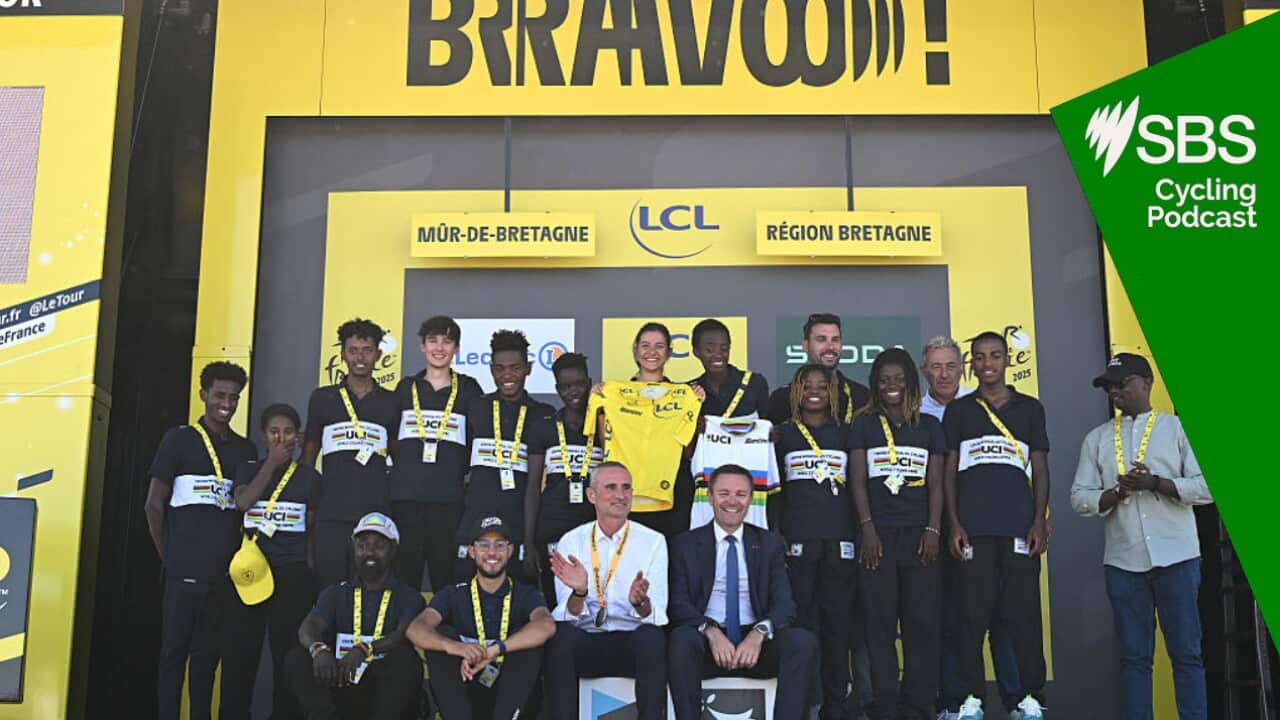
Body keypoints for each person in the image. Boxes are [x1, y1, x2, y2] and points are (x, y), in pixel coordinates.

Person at [1070, 353, 1211, 720]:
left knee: (1187, 654)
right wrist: (1116, 494)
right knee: (1134, 659)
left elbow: (1207, 487)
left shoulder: (1177, 429)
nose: (1116, 392)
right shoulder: (1098, 439)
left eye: (1123, 383)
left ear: (1147, 383)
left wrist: (1157, 484)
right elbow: (1078, 498)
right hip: (1123, 562)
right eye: (1110, 387)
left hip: (1177, 558)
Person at [942, 332, 1050, 720]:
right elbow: (949, 470)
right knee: (970, 615)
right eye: (980, 357)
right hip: (973, 529)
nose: (988, 363)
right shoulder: (959, 411)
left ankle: (1028, 697)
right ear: (972, 362)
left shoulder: (1029, 408)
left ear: (1007, 360)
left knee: (1022, 616)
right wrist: (953, 523)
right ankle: (971, 696)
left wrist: (1039, 519)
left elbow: (1039, 467)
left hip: (1020, 529)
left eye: (996, 356)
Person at [144, 361, 257, 720]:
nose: (227, 403)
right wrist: (170, 557)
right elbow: (153, 504)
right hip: (182, 573)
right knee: (173, 656)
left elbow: (243, 507)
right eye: (220, 395)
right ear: (203, 395)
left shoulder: (245, 448)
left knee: (207, 659)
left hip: (223, 577)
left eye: (234, 397)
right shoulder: (179, 439)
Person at [668, 464, 819, 720]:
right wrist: (711, 631)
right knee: (681, 639)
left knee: (801, 641)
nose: (732, 501)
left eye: (741, 494)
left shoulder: (769, 543)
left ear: (751, 498)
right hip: (705, 644)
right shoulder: (684, 544)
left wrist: (758, 634)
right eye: (724, 493)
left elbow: (784, 603)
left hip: (755, 644)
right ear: (710, 496)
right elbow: (677, 603)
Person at [922, 336, 1020, 719]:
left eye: (950, 365)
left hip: (989, 525)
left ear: (963, 367)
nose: (944, 374)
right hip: (937, 529)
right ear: (924, 370)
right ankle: (956, 701)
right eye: (936, 366)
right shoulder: (915, 412)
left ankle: (1017, 701)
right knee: (952, 618)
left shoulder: (986, 405)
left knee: (1004, 616)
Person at [849, 349, 946, 720]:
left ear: (910, 381)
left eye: (898, 379)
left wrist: (934, 529)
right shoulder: (864, 424)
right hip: (877, 539)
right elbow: (857, 481)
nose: (891, 386)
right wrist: (868, 529)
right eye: (884, 380)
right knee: (879, 624)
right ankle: (884, 705)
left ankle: (919, 704)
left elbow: (936, 483)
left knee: (921, 622)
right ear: (876, 384)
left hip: (921, 538)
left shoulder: (929, 426)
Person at [544, 462, 669, 720]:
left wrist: (640, 603)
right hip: (588, 640)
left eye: (626, 488)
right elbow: (566, 615)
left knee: (652, 639)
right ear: (592, 495)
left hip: (632, 640)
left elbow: (657, 616)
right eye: (611, 487)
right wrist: (579, 592)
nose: (620, 495)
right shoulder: (572, 540)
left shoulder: (654, 541)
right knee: (560, 640)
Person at [221, 403, 322, 720]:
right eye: (274, 432)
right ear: (264, 437)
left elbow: (313, 529)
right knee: (241, 655)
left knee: (288, 657)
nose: (281, 438)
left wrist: (309, 571)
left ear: (298, 436)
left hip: (291, 575)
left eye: (288, 432)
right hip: (251, 574)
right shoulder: (248, 468)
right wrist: (270, 466)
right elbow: (243, 502)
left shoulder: (309, 478)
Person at [770, 363, 855, 720]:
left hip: (840, 542)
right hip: (798, 543)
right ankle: (804, 702)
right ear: (795, 392)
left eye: (823, 385)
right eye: (807, 386)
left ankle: (835, 704)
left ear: (834, 391)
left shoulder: (848, 434)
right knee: (802, 625)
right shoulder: (783, 435)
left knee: (837, 624)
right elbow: (774, 494)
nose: (815, 391)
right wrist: (777, 536)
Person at [409, 515, 556, 719]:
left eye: (500, 545)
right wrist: (457, 648)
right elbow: (416, 629)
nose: (492, 552)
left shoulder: (526, 594)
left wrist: (496, 650)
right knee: (442, 636)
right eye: (484, 545)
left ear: (510, 551)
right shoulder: (453, 593)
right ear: (472, 551)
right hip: (467, 688)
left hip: (511, 696)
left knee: (529, 642)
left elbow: (546, 625)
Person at [288, 513, 425, 719]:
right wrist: (318, 650)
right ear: (353, 548)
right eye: (362, 545)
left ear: (393, 550)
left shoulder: (409, 597)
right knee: (297, 658)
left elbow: (400, 635)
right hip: (342, 683)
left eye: (379, 546)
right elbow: (309, 626)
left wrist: (364, 649)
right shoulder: (335, 592)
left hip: (382, 694)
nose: (369, 552)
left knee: (406, 660)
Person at [302, 318, 400, 588]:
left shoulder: (391, 401)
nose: (360, 357)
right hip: (331, 513)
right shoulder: (322, 398)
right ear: (342, 354)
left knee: (369, 590)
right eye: (353, 350)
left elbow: (399, 458)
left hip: (374, 515)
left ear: (378, 355)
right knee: (329, 589)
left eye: (367, 350)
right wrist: (309, 507)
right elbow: (309, 458)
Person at [390, 315, 484, 591]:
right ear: (422, 346)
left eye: (447, 341)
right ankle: (406, 635)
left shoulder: (469, 389)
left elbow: (477, 441)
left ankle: (445, 635)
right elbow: (393, 439)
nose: (439, 347)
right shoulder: (406, 388)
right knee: (405, 580)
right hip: (407, 500)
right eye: (433, 340)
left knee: (447, 580)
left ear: (457, 348)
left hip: (449, 502)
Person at [586, 322, 704, 537]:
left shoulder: (685, 395)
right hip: (627, 495)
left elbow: (686, 452)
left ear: (669, 352)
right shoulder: (611, 393)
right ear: (635, 349)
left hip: (670, 493)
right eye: (645, 345)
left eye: (659, 346)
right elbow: (607, 447)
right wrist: (603, 404)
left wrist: (693, 405)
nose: (652, 352)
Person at [459, 329, 554, 584]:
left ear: (529, 368)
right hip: (474, 520)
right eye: (500, 369)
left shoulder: (543, 414)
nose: (507, 376)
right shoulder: (475, 406)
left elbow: (539, 483)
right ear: (491, 370)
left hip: (519, 523)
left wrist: (531, 540)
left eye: (515, 368)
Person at [534, 353, 603, 604]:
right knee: (556, 599)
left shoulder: (605, 425)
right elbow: (532, 488)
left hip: (592, 522)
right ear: (557, 389)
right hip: (552, 524)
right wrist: (531, 538)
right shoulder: (546, 426)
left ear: (590, 382)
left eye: (579, 384)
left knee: (594, 593)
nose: (573, 391)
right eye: (565, 386)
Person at [766, 313, 871, 426]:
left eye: (835, 340)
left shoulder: (861, 396)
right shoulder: (782, 398)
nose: (830, 347)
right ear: (806, 346)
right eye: (821, 339)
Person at [688, 318, 770, 419]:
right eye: (710, 350)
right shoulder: (689, 391)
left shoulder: (754, 382)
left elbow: (767, 426)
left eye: (724, 349)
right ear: (696, 352)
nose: (718, 355)